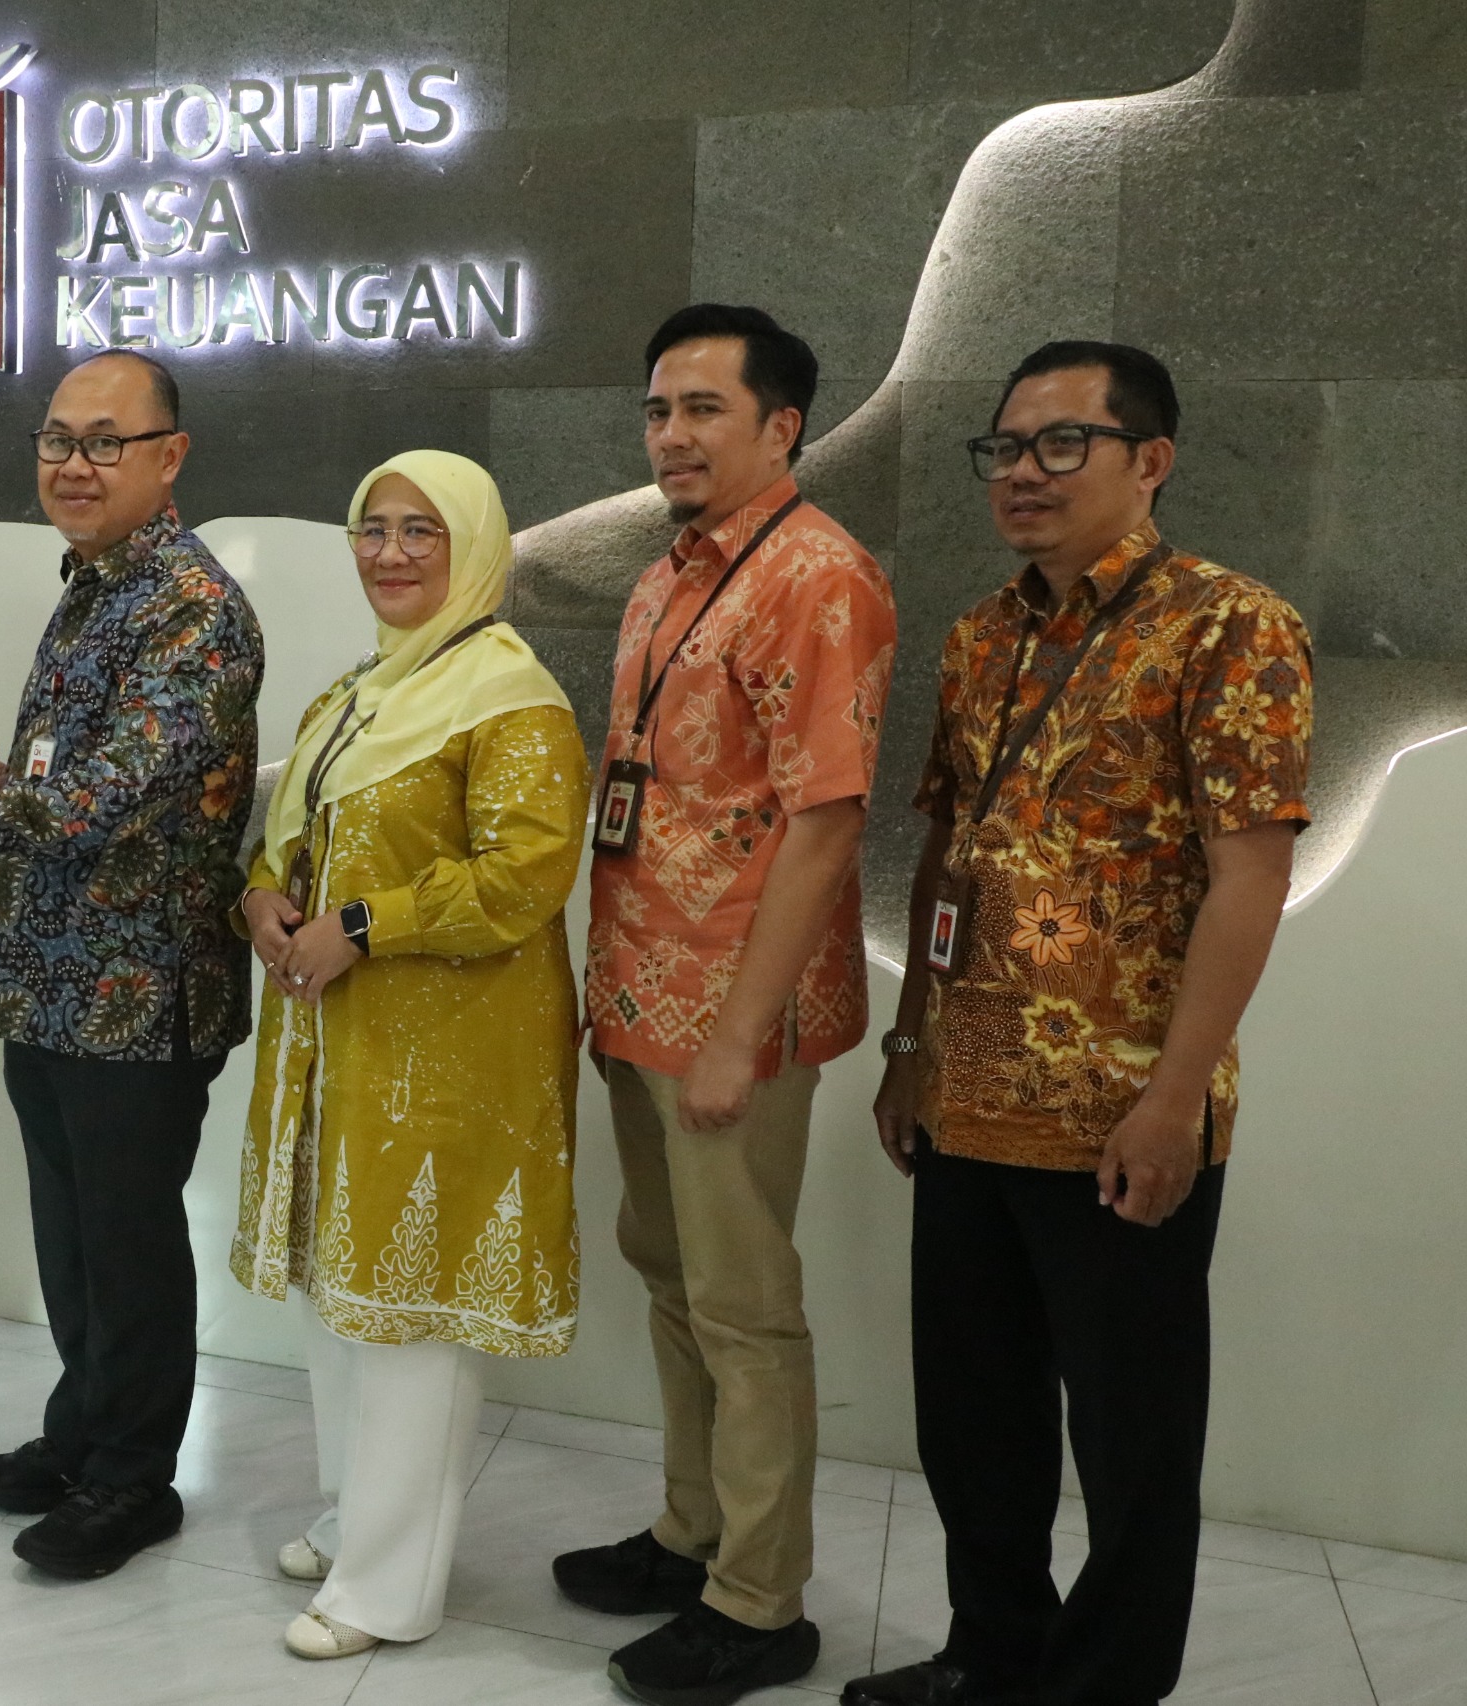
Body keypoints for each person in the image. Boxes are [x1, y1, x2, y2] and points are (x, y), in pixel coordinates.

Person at [841, 343, 1310, 1706]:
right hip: (968, 1090)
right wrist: (910, 1044)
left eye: (1061, 443)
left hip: (1118, 1108)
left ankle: (1103, 1685)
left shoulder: (1229, 626)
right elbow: (946, 851)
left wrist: (1173, 1100)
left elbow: (1249, 875)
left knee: (1130, 1438)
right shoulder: (981, 634)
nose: (1023, 472)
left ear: (1148, 460)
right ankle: (992, 1653)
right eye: (1004, 447)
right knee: (974, 1418)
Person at [0, 350, 261, 1580]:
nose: (75, 464)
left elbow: (110, 797)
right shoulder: (92, 582)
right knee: (71, 1233)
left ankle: (132, 1477)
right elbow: (72, 771)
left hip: (140, 985)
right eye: (58, 439)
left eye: (104, 441)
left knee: (126, 1242)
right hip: (50, 971)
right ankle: (80, 1433)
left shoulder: (190, 604)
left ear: (169, 456)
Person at [556, 304, 898, 1706]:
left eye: (704, 408)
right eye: (658, 410)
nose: (672, 434)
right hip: (639, 994)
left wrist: (737, 1034)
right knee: (670, 1273)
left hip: (728, 1021)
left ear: (782, 426)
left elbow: (827, 821)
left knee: (745, 1306)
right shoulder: (664, 577)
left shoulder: (820, 576)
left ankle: (759, 1601)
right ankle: (691, 1528)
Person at [234, 450, 586, 1661]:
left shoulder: (509, 693)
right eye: (371, 527)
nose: (389, 552)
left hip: (449, 1057)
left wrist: (362, 923)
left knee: (412, 1321)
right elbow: (289, 839)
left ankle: (388, 1588)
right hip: (337, 1047)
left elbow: (525, 873)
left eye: (420, 530)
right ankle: (355, 1522)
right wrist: (263, 897)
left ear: (474, 546)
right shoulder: (359, 692)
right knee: (342, 1299)